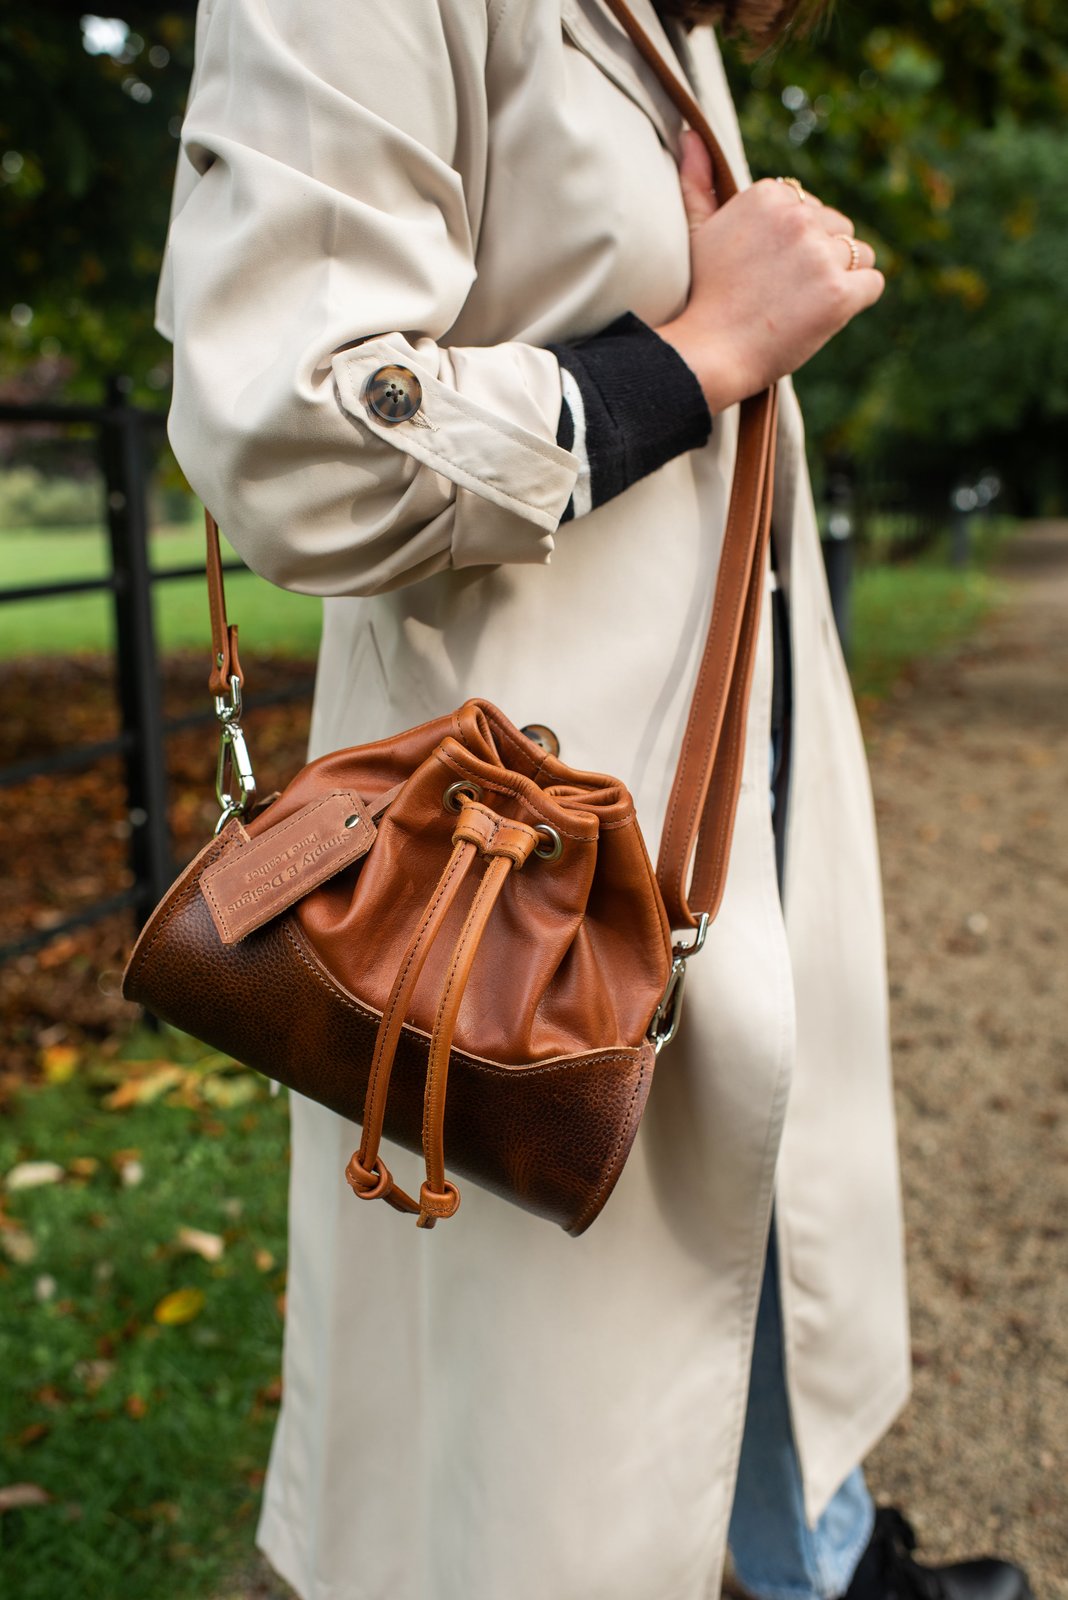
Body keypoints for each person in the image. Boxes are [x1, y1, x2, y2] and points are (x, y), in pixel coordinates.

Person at [155, 2, 1033, 1598]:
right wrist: (692, 360)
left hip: (729, 738)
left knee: (744, 1155)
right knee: (543, 1360)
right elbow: (294, 431)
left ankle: (807, 1557)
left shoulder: (664, 24)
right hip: (505, 824)